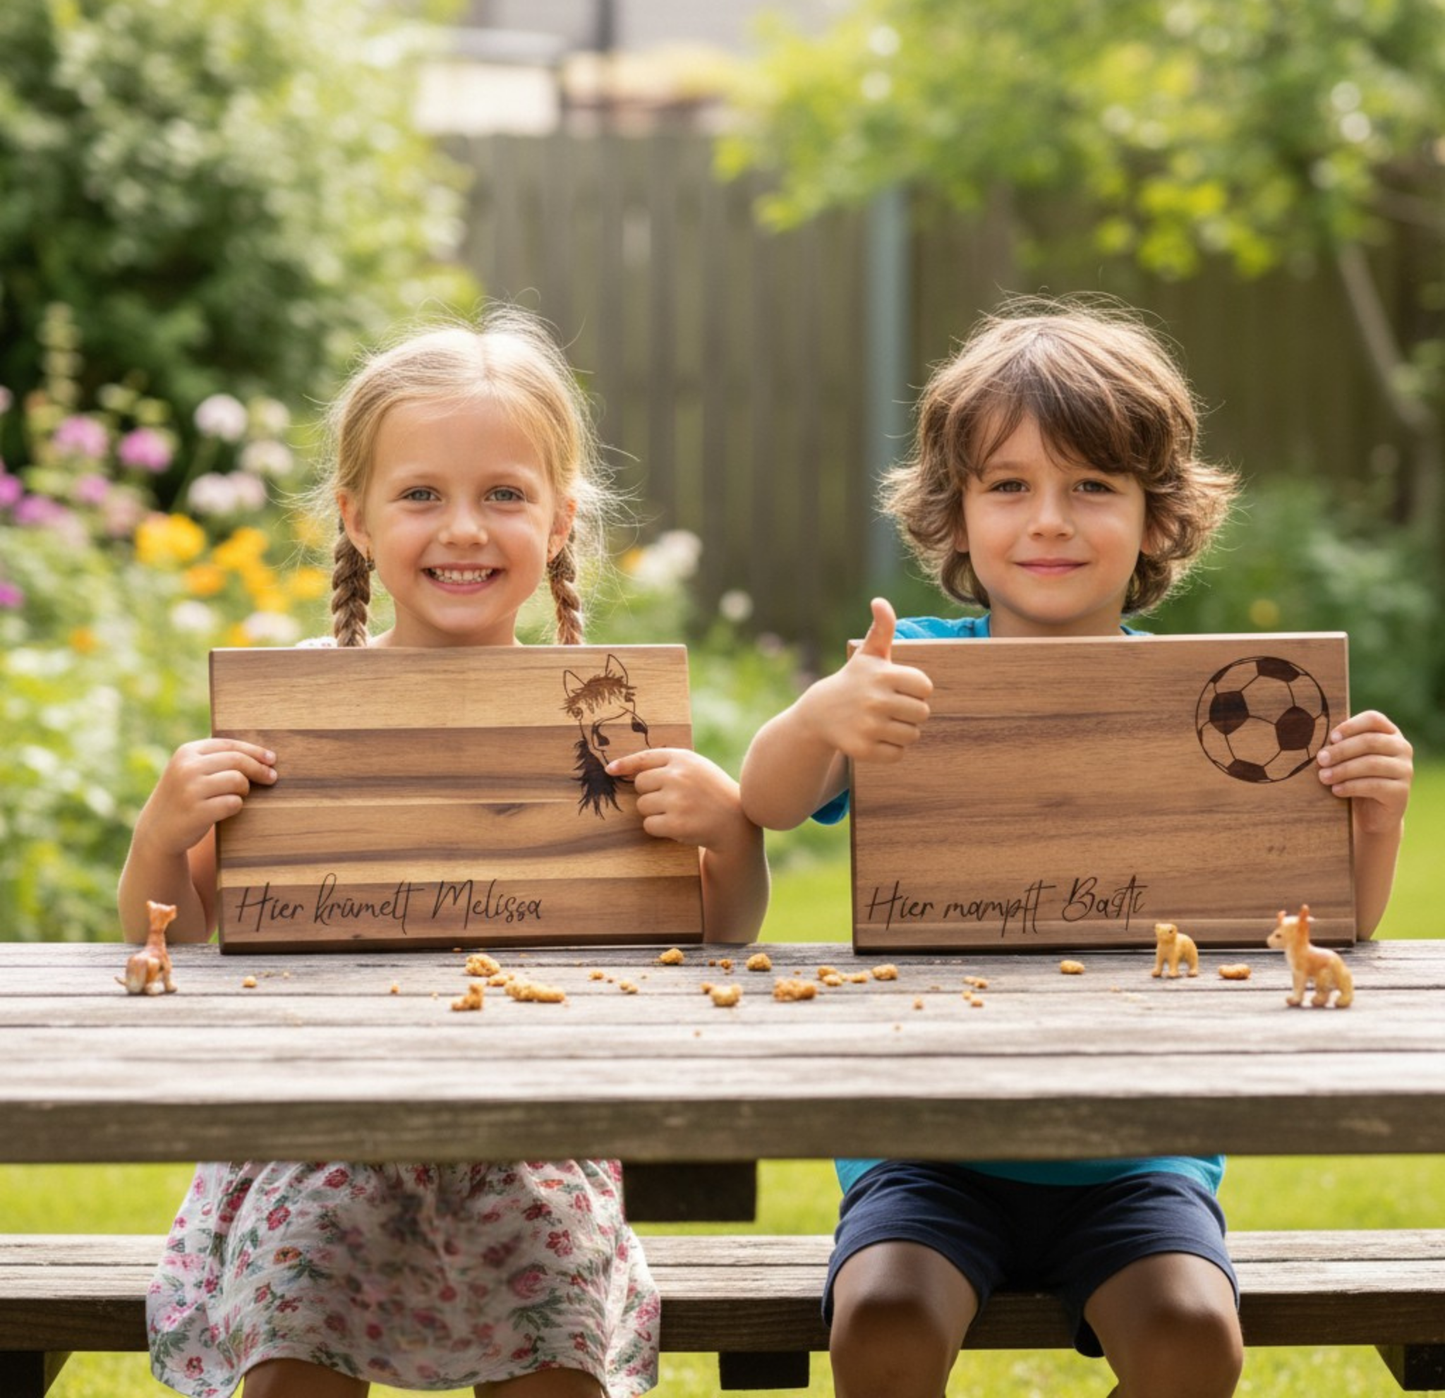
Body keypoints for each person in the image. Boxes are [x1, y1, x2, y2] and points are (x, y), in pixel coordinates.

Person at [738, 296, 1414, 1398]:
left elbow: (1329, 918)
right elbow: (766, 801)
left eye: (1091, 485)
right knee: (884, 1323)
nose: (1047, 520)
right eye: (1008, 486)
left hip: (1136, 1149)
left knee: (1192, 1336)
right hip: (925, 1141)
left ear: (1156, 518)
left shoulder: (1212, 708)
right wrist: (822, 715)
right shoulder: (904, 672)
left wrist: (1370, 820)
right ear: (955, 514)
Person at [118, 306, 769, 1398]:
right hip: (315, 1141)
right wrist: (162, 829)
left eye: (502, 494)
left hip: (533, 1150)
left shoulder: (606, 716)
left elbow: (716, 930)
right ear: (356, 518)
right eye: (420, 493)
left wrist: (731, 834)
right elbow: (170, 939)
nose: (462, 528)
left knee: (558, 1366)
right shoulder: (296, 714)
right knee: (289, 1359)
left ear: (559, 521)